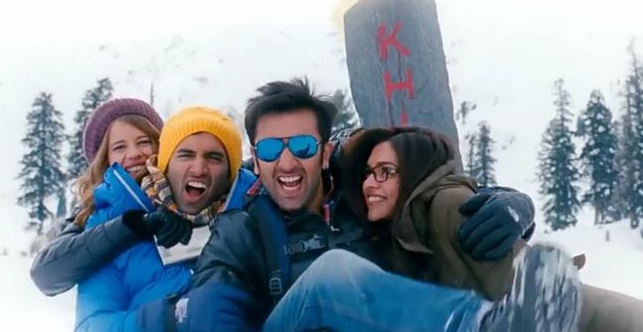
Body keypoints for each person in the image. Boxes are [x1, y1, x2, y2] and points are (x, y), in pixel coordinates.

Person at [160, 79, 580, 332]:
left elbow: (429, 184)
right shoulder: (242, 228)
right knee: (332, 274)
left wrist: (509, 202)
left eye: (302, 146)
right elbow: (214, 305)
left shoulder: (363, 193)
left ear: (324, 153)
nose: (286, 163)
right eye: (270, 150)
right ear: (257, 155)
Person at [340, 126, 643, 332]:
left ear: (412, 173)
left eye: (385, 171)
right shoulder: (407, 228)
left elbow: (529, 303)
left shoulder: (446, 207)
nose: (370, 183)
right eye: (368, 173)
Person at [30, 101, 253, 302]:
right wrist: (132, 227)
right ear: (104, 159)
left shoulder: (192, 189)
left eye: (143, 142)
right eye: (119, 147)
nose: (134, 153)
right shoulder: (97, 213)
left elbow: (232, 172)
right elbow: (46, 273)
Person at [72, 104, 246, 332]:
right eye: (119, 147)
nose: (198, 168)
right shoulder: (106, 232)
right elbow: (92, 324)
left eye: (143, 141)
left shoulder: (252, 216)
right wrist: (170, 316)